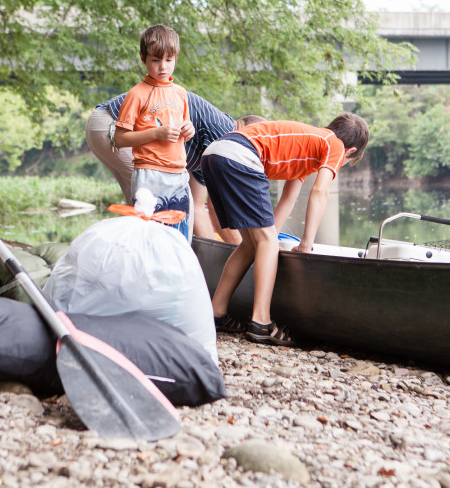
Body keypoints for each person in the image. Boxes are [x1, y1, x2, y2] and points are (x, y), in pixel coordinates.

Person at [200, 113, 369, 346]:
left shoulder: (308, 145)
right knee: (266, 242)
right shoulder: (335, 144)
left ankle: (216, 312)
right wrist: (305, 244)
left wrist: (269, 238)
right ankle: (261, 322)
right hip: (240, 154)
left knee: (252, 245)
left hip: (215, 154)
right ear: (350, 151)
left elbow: (289, 198)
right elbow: (320, 192)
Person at [86, 93, 263, 243]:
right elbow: (218, 208)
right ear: (249, 133)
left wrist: (219, 251)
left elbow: (200, 206)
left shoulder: (212, 152)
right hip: (114, 126)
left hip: (101, 124)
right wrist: (245, 251)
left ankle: (135, 264)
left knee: (142, 208)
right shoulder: (227, 133)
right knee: (173, 196)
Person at [111, 24, 195, 240]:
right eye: (156, 60)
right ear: (143, 58)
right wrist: (156, 133)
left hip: (179, 175)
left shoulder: (181, 93)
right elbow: (119, 139)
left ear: (176, 58)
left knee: (180, 236)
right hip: (150, 174)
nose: (162, 67)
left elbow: (183, 127)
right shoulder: (137, 94)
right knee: (149, 236)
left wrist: (189, 129)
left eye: (169, 60)